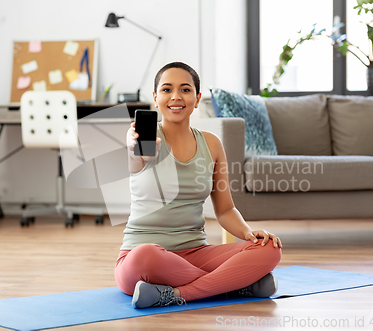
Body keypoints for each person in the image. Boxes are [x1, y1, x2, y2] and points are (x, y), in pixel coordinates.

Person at [115, 62, 282, 309]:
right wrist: (134, 150)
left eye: (185, 89)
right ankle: (235, 286)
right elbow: (134, 163)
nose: (175, 97)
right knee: (144, 256)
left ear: (197, 98)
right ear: (155, 97)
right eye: (166, 90)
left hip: (195, 254)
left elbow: (224, 210)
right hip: (143, 258)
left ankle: (175, 294)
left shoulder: (212, 144)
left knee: (269, 249)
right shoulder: (141, 141)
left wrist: (247, 233)